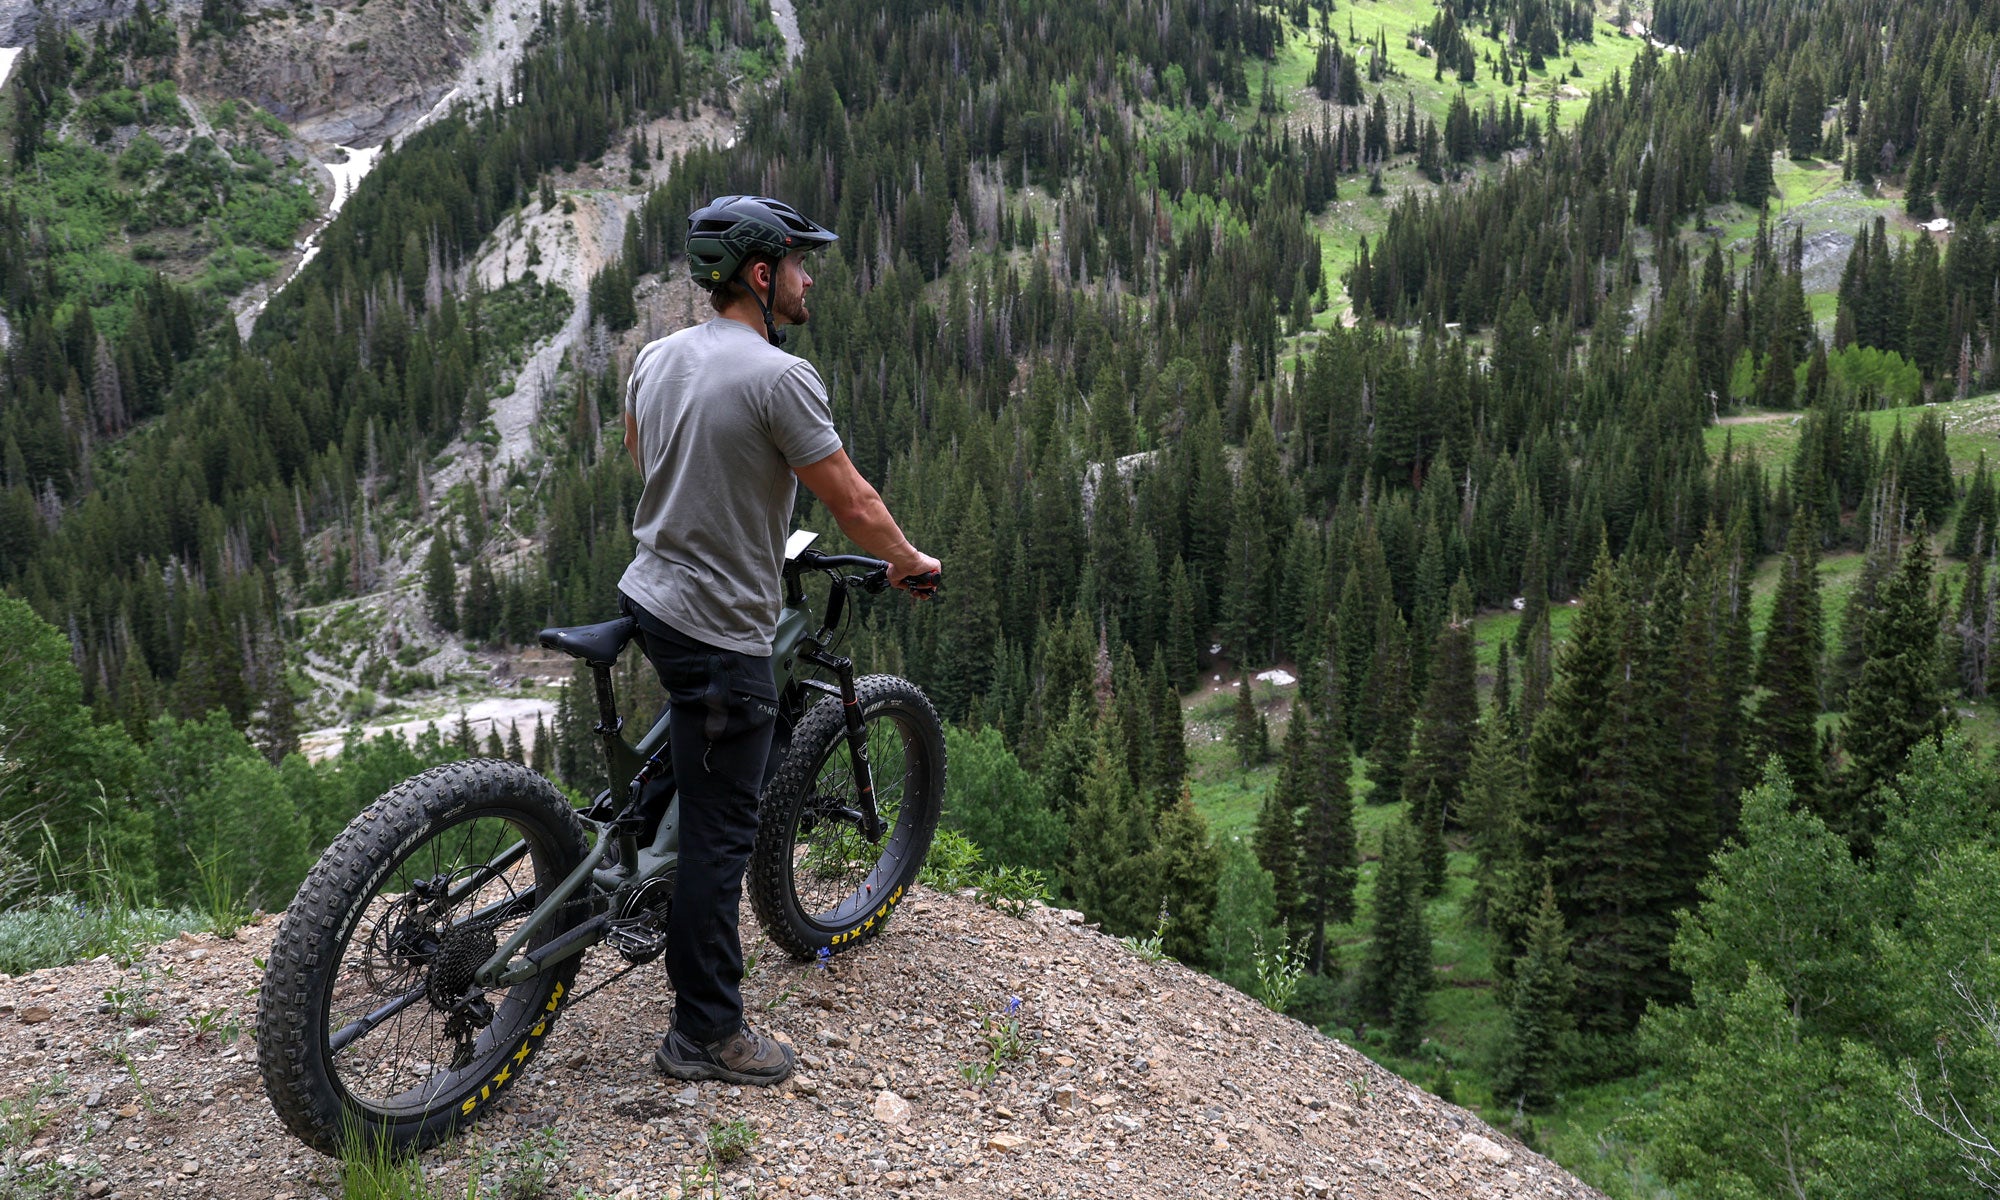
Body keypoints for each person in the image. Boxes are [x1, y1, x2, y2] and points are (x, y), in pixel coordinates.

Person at [618, 195, 940, 1086]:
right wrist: (911, 562)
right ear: (761, 276)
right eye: (800, 262)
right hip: (721, 626)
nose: (810, 277)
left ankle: (629, 860)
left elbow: (647, 453)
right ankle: (706, 1034)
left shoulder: (655, 357)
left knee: (689, 751)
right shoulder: (777, 376)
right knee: (723, 834)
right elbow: (852, 502)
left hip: (649, 595)